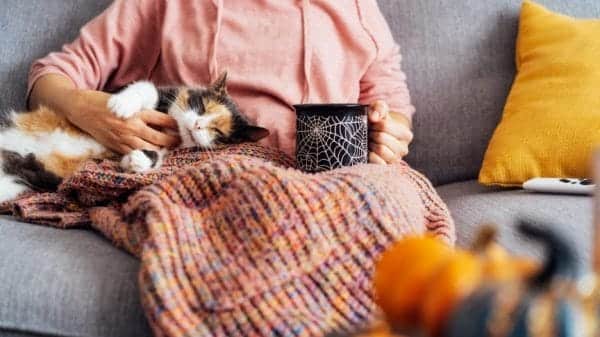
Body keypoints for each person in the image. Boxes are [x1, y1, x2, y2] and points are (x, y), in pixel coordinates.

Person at [27, 0, 414, 164]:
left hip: (337, 178)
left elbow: (392, 105)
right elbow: (49, 77)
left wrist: (388, 133)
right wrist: (88, 110)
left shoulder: (355, 7)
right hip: (206, 175)